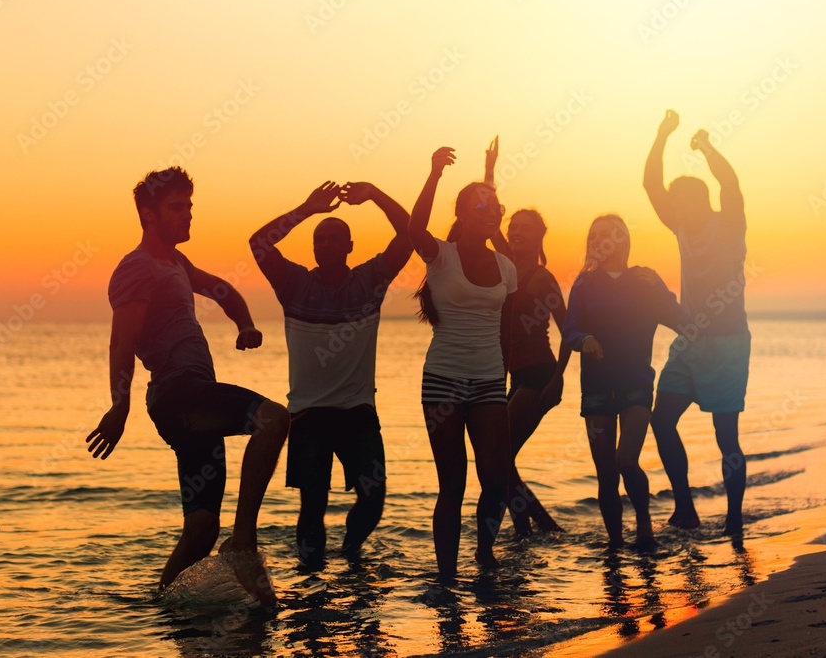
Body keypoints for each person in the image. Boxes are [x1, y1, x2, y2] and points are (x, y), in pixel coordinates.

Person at [86, 167, 289, 605]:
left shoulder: (175, 263)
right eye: (176, 208)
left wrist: (246, 323)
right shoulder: (136, 269)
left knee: (200, 530)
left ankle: (162, 611)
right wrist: (118, 406)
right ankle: (244, 543)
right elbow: (121, 341)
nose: (188, 215)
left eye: (190, 206)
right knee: (273, 419)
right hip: (178, 394)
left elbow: (221, 288)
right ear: (148, 215)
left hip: (192, 399)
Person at [248, 180, 412, 570]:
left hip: (357, 411)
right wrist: (307, 209)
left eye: (335, 239)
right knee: (312, 506)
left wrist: (374, 193)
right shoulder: (295, 284)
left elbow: (408, 235)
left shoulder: (369, 282)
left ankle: (351, 554)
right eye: (320, 240)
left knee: (373, 498)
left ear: (350, 246)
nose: (326, 245)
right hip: (308, 415)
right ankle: (311, 584)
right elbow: (258, 244)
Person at [409, 146, 517, 581]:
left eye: (496, 207)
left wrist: (504, 377)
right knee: (452, 484)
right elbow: (414, 226)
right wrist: (433, 173)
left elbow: (507, 331)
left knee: (497, 480)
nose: (491, 212)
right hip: (444, 379)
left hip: (490, 379)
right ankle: (447, 578)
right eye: (481, 206)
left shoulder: (507, 266)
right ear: (462, 213)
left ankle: (484, 551)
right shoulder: (440, 254)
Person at [643, 109, 751, 537]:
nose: (673, 207)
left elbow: (731, 184)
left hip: (727, 344)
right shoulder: (681, 228)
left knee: (726, 436)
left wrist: (706, 147)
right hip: (689, 343)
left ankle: (735, 519)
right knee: (661, 420)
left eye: (680, 200)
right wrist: (662, 133)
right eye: (673, 202)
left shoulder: (728, 225)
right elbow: (651, 185)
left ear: (699, 200)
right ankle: (685, 508)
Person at [562, 214, 688, 549]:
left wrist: (661, 290)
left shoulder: (643, 280)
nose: (598, 240)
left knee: (625, 461)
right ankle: (615, 545)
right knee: (605, 474)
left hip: (636, 385)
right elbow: (569, 328)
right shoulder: (584, 283)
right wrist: (583, 338)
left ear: (622, 239)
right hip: (597, 389)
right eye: (593, 235)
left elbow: (681, 321)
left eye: (606, 234)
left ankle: (644, 525)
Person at [482, 137, 569, 536]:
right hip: (515, 378)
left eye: (524, 229)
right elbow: (488, 219)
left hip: (538, 378)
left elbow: (570, 331)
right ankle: (527, 528)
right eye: (513, 228)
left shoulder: (541, 278)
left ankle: (542, 527)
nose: (515, 233)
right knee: (502, 458)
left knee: (498, 456)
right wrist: (489, 170)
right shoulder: (506, 267)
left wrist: (558, 379)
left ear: (538, 237)